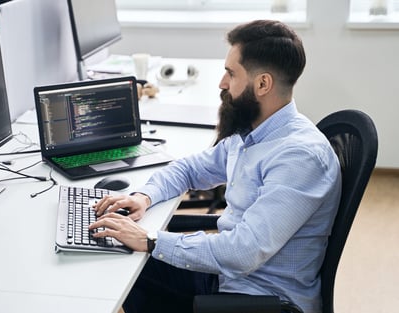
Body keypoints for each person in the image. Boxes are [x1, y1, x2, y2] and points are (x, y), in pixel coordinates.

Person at [90, 19, 342, 313]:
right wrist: (143, 197)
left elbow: (242, 252)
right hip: (229, 277)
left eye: (231, 74)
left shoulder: (299, 157)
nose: (222, 84)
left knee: (128, 261)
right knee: (117, 254)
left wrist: (151, 239)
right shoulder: (252, 131)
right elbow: (189, 169)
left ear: (262, 83)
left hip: (261, 299)